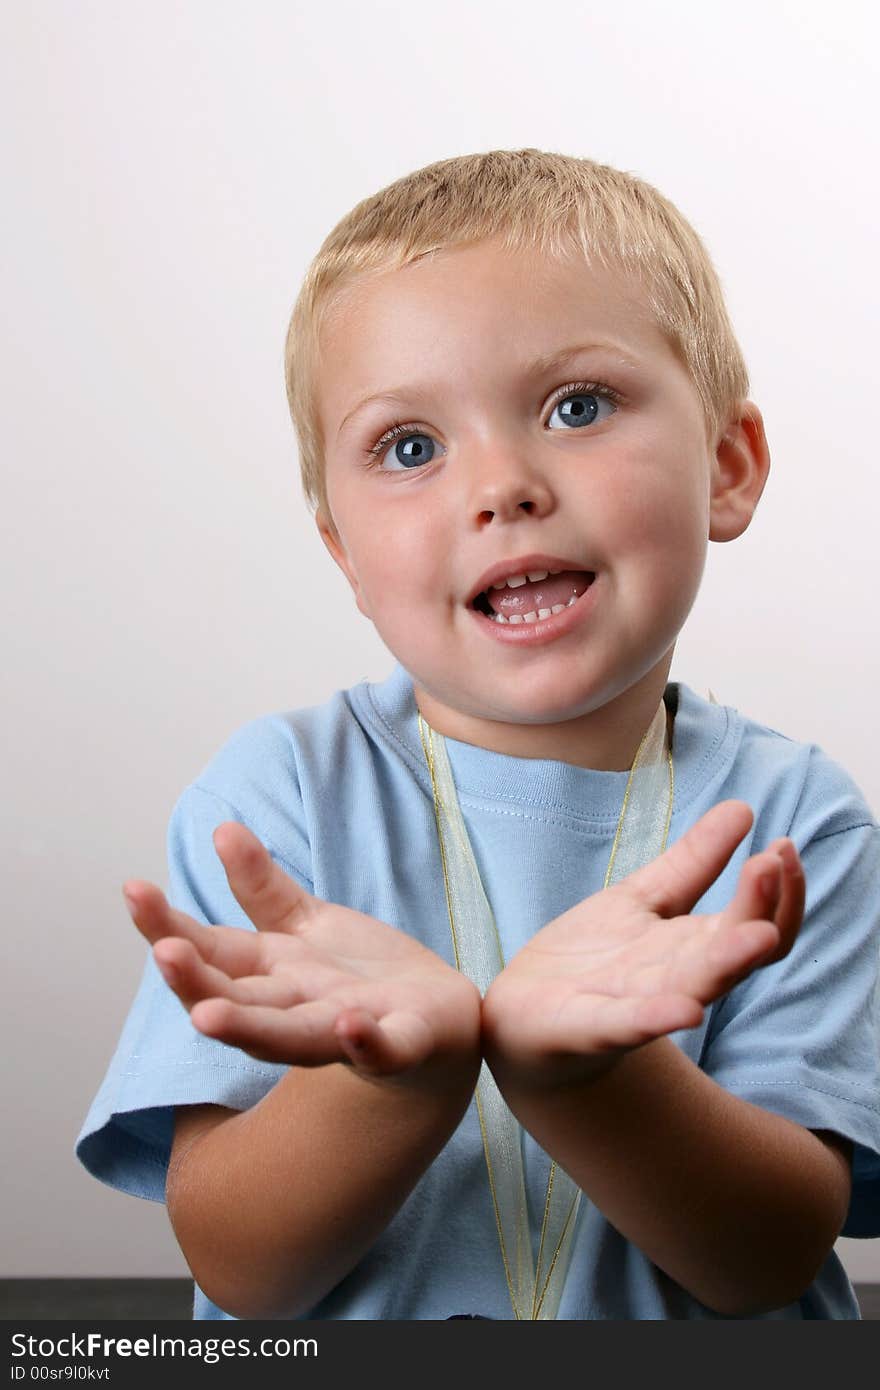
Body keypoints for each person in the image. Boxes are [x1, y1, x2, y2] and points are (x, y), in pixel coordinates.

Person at [76, 148, 880, 1320]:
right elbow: (239, 1269)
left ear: (726, 463)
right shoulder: (278, 797)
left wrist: (593, 1080)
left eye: (577, 405)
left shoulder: (791, 823)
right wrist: (393, 1083)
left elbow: (763, 1263)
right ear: (345, 553)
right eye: (410, 447)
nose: (501, 485)